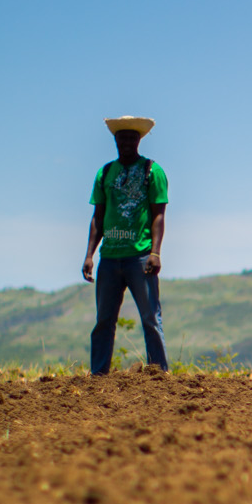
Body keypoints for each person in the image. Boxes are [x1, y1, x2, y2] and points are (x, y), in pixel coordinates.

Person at [83, 115, 170, 374]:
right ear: (115, 140)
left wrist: (155, 252)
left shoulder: (152, 171)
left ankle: (159, 373)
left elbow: (159, 214)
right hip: (109, 257)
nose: (128, 142)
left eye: (133, 137)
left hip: (140, 256)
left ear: (139, 140)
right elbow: (98, 217)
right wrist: (90, 255)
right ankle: (99, 375)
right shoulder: (105, 172)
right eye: (123, 137)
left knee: (151, 318)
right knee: (104, 321)